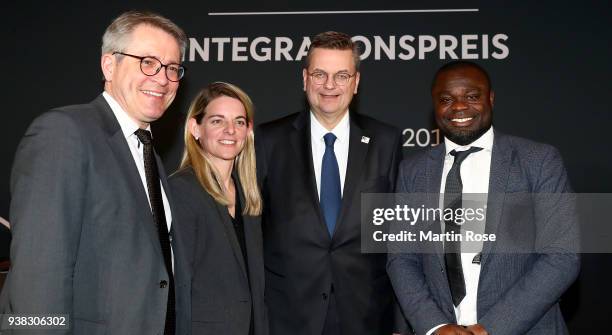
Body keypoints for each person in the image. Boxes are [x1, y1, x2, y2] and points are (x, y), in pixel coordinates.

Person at [0, 11, 187, 334]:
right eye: (147, 62)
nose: (162, 78)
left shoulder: (148, 153)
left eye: (172, 68)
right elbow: (36, 277)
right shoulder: (63, 133)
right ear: (109, 66)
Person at [387, 61, 580, 335]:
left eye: (471, 96)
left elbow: (561, 256)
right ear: (434, 106)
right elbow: (401, 258)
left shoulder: (538, 161)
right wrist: (434, 326)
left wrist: (493, 328)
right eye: (446, 99)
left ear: (490, 98)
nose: (459, 106)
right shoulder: (413, 171)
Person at [256, 31, 405, 335]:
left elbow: (398, 238)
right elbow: (252, 230)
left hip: (367, 317)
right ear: (305, 78)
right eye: (320, 74)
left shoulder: (386, 141)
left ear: (356, 82)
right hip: (287, 317)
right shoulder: (267, 140)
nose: (329, 85)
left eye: (341, 75)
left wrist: (401, 324)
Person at [169, 82, 267, 335]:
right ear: (195, 128)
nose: (230, 131)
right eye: (217, 121)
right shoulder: (181, 191)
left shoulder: (248, 195)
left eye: (239, 122)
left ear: (249, 131)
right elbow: (175, 284)